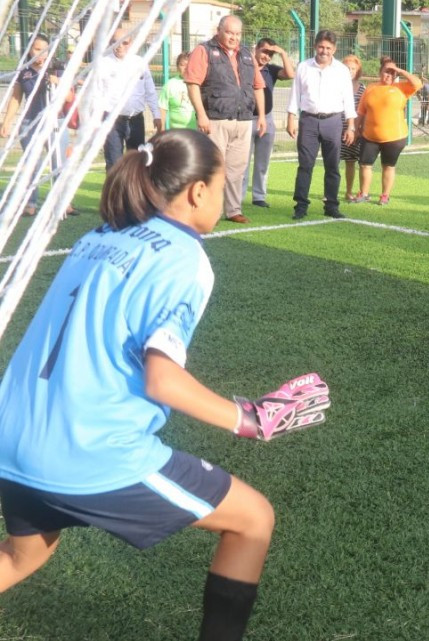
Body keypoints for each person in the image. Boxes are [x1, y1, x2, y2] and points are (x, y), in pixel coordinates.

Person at [0, 129, 276, 641]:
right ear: (197, 192)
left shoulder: (102, 235)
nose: (223, 195)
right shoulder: (184, 257)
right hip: (83, 447)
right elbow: (162, 377)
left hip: (13, 435)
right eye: (222, 185)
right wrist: (247, 418)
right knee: (253, 519)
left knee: (21, 556)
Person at [185, 16, 266, 224]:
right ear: (219, 30)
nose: (234, 37)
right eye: (230, 32)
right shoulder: (203, 51)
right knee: (212, 168)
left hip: (244, 120)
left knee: (237, 170)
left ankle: (233, 210)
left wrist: (262, 116)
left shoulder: (247, 54)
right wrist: (202, 114)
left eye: (238, 34)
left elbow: (258, 86)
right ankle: (209, 210)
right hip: (215, 119)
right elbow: (193, 83)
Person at [0, 34, 77, 217]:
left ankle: (63, 203)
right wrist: (7, 121)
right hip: (31, 122)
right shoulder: (24, 71)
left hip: (55, 122)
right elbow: (16, 97)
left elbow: (70, 97)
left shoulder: (57, 69)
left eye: (44, 49)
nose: (40, 53)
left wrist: (57, 83)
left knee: (58, 162)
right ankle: (31, 202)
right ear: (30, 50)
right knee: (31, 164)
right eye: (36, 48)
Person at [285, 30, 356, 220]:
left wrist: (350, 126)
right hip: (308, 121)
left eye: (328, 48)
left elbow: (348, 99)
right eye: (321, 47)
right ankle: (300, 206)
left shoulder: (341, 70)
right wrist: (291, 118)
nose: (324, 51)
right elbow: (295, 94)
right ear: (315, 46)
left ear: (334, 49)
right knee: (305, 166)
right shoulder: (304, 67)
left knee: (332, 166)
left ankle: (331, 206)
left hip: (333, 122)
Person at [89, 27, 163, 171]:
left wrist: (156, 114)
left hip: (136, 120)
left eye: (125, 43)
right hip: (111, 121)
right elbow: (96, 94)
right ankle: (113, 194)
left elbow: (150, 91)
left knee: (137, 164)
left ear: (132, 43)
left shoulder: (140, 63)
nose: (119, 46)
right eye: (115, 42)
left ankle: (133, 194)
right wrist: (96, 122)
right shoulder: (103, 64)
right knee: (113, 163)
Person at [355, 56, 422, 206]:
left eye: (393, 73)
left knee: (388, 166)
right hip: (369, 136)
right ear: (380, 72)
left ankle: (385, 195)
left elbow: (418, 83)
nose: (389, 76)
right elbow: (361, 111)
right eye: (386, 72)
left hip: (395, 137)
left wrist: (399, 70)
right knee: (365, 164)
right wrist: (355, 128)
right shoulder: (371, 88)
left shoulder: (402, 88)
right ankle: (364, 193)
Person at [244, 38, 294, 209]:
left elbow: (290, 74)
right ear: (256, 49)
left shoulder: (271, 70)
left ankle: (259, 196)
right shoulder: (244, 66)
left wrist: (283, 53)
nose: (266, 56)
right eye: (264, 51)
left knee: (262, 161)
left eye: (270, 54)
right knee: (242, 161)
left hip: (267, 118)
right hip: (245, 119)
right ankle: (239, 196)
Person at [340, 55, 366, 203]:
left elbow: (364, 112)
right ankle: (328, 192)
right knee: (331, 162)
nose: (350, 71)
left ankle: (348, 191)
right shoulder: (335, 85)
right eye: (347, 68)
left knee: (350, 162)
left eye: (353, 68)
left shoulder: (363, 89)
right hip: (335, 128)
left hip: (354, 131)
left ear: (358, 71)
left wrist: (356, 130)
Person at [158, 53, 197, 131]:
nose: (186, 68)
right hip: (177, 132)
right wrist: (160, 131)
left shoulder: (201, 83)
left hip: (198, 132)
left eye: (188, 64)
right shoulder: (170, 84)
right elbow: (162, 109)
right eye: (182, 65)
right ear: (177, 67)